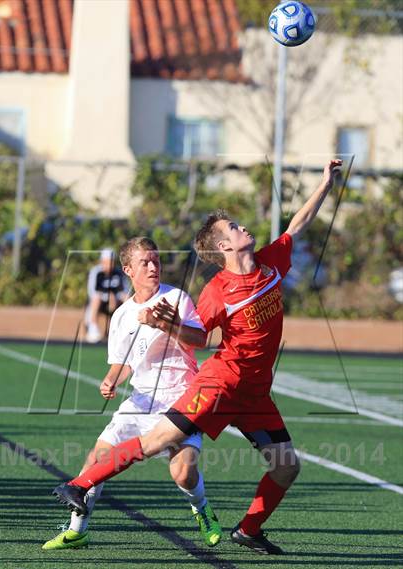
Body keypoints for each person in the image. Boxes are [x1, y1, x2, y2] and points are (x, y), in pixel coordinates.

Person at [53, 160, 342, 555]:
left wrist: (325, 183)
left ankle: (249, 530)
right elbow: (200, 337)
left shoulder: (272, 261)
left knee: (287, 466)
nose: (244, 228)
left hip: (256, 395)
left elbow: (297, 224)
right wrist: (168, 325)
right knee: (157, 441)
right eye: (235, 228)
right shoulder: (217, 290)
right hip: (220, 385)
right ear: (224, 246)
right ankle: (79, 485)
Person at [44, 237, 222, 549]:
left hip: (182, 398)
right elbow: (122, 362)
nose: (154, 267)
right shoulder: (122, 315)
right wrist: (110, 380)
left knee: (182, 473)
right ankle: (77, 530)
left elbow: (200, 340)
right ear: (128, 270)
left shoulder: (176, 298)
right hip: (141, 400)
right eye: (145, 262)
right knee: (96, 459)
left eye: (156, 260)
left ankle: (201, 508)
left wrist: (163, 323)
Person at [85, 248, 130, 343]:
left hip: (116, 302)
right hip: (100, 303)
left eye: (112, 262)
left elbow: (126, 290)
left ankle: (127, 329)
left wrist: (115, 298)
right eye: (107, 262)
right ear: (102, 261)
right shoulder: (96, 272)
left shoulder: (119, 273)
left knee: (127, 298)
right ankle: (92, 329)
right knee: (96, 298)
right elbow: (92, 292)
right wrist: (108, 296)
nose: (110, 265)